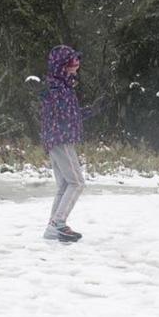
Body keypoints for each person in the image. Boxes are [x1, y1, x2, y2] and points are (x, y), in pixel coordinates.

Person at [39, 45, 104, 243]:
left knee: (65, 185)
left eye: (78, 60)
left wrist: (93, 110)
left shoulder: (63, 86)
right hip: (60, 139)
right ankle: (58, 224)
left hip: (56, 139)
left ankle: (52, 228)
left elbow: (71, 115)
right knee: (77, 182)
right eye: (74, 60)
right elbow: (60, 115)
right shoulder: (56, 88)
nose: (78, 64)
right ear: (63, 64)